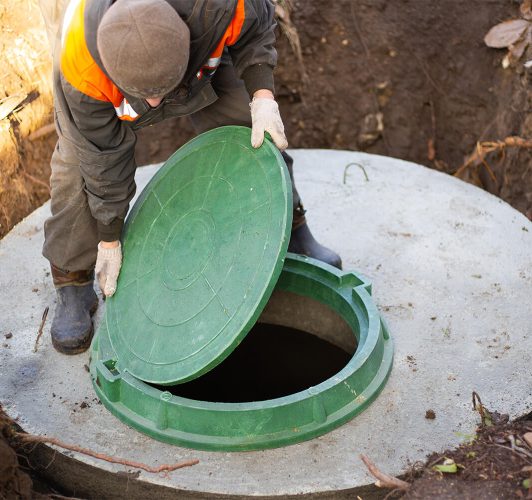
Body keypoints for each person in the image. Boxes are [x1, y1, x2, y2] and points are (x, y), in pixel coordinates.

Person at [43, 0, 342, 355]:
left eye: (159, 93)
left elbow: (256, 29)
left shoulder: (219, 6)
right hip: (109, 94)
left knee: (250, 129)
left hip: (198, 68)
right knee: (76, 171)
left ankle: (288, 226)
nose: (155, 105)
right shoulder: (80, 64)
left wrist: (262, 95)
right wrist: (109, 238)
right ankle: (72, 281)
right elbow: (102, 157)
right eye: (147, 95)